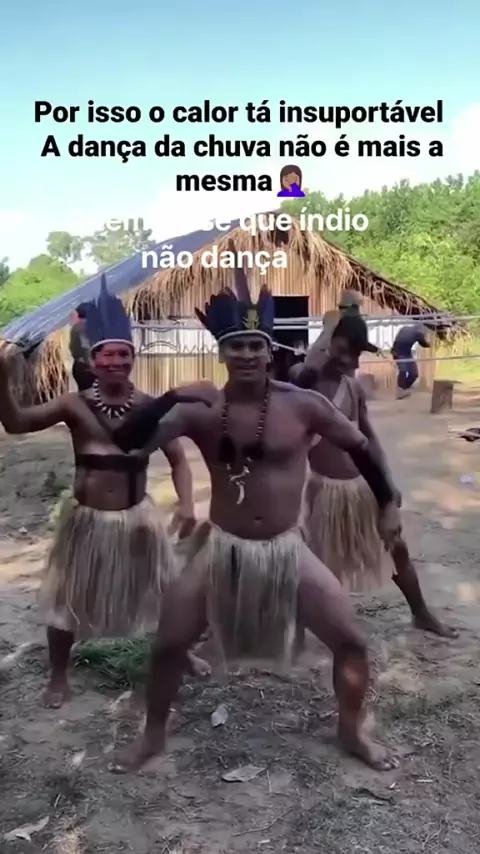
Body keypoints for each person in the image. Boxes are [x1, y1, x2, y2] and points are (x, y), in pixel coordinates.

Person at [108, 266, 404, 775]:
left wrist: (387, 502)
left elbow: (360, 448)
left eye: (254, 346)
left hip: (287, 549)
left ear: (269, 352)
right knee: (169, 644)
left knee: (351, 643)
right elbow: (126, 443)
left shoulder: (305, 405)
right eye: (236, 346)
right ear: (221, 353)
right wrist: (171, 397)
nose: (246, 354)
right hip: (222, 548)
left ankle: (352, 731)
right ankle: (152, 736)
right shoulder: (200, 410)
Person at [0, 276, 213, 708]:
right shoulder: (73, 404)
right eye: (108, 355)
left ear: (133, 358)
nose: (116, 362)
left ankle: (180, 652)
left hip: (138, 519)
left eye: (123, 354)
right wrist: (1, 380)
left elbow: (177, 458)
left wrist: (188, 504)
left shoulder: (149, 405)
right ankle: (59, 675)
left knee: (166, 593)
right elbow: (17, 423)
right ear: (93, 361)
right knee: (67, 600)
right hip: (87, 521)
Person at [294, 313, 456, 638]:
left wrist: (388, 485)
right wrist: (328, 331)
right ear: (326, 344)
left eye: (355, 354)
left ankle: (421, 613)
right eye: (342, 350)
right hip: (323, 493)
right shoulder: (303, 382)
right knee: (316, 565)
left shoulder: (353, 388)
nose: (349, 361)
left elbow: (370, 441)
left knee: (396, 548)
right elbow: (305, 373)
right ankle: (301, 628)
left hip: (363, 487)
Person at [391, 322, 430, 399]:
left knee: (413, 373)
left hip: (404, 353)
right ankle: (400, 391)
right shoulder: (418, 333)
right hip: (399, 353)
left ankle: (403, 389)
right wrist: (430, 344)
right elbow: (424, 344)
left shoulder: (404, 328)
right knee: (404, 371)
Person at [70, 302, 95, 391]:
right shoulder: (85, 327)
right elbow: (85, 348)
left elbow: (72, 347)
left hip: (78, 365)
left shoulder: (75, 327)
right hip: (87, 367)